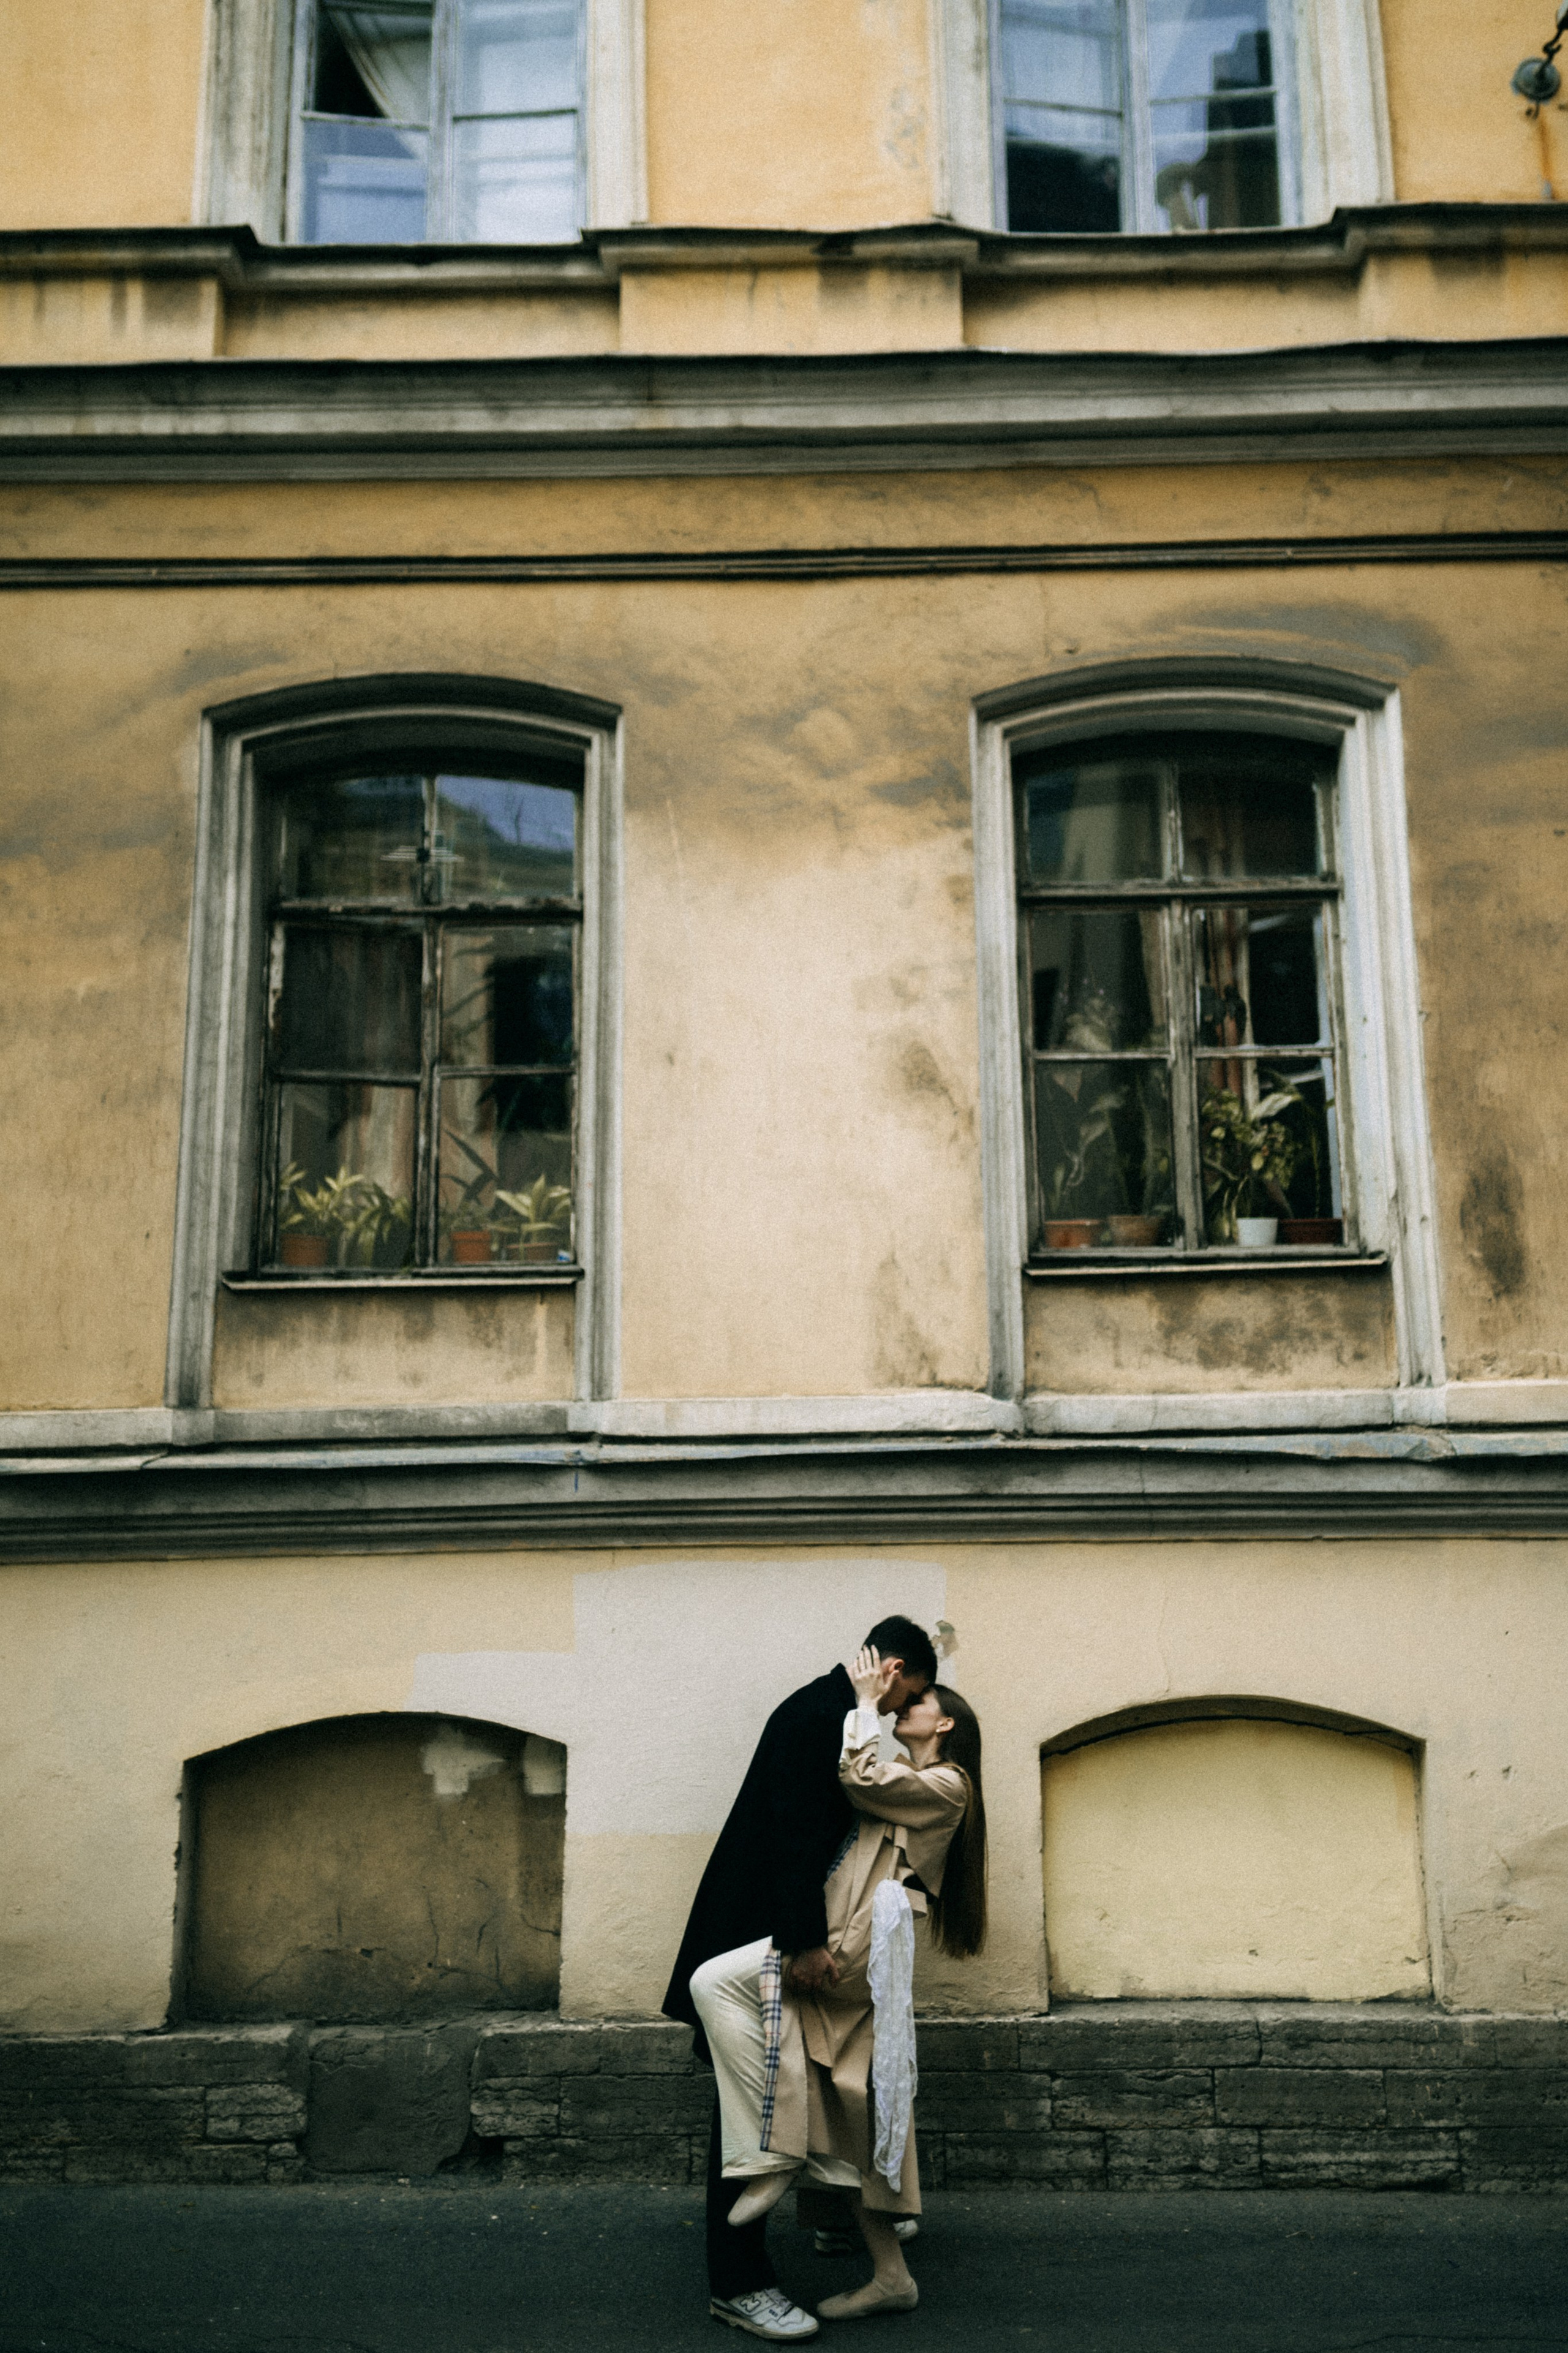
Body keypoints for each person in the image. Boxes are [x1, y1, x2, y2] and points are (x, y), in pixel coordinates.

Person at [663, 1616, 938, 2343]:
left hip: (773, 1931)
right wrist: (804, 1940)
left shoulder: (837, 1711)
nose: (912, 1706)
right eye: (914, 1692)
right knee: (750, 2108)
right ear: (898, 1668)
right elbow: (793, 1833)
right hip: (764, 1937)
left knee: (797, 2085)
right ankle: (739, 2284)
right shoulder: (821, 1713)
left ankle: (828, 2223)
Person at [722, 1645, 988, 2322]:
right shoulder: (914, 1776)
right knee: (852, 2094)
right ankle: (873, 2256)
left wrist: (865, 1705)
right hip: (863, 1944)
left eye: (918, 1702)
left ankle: (771, 2156)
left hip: (859, 1947)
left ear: (945, 1723)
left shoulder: (947, 1784)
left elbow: (859, 1776)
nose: (906, 1705)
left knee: (716, 1984)